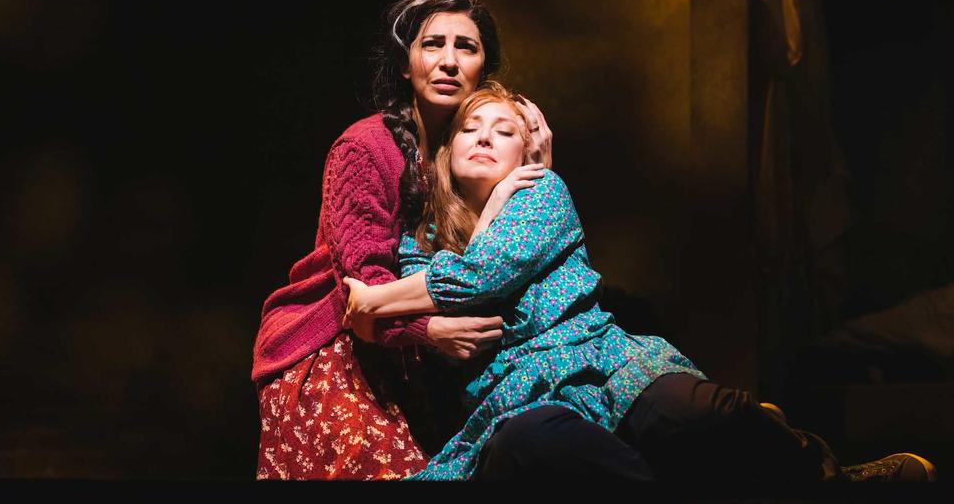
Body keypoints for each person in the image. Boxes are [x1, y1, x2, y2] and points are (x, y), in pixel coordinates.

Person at [342, 81, 938, 483]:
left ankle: (834, 478)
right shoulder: (417, 245)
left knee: (702, 411)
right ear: (446, 154)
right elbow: (438, 299)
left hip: (602, 362)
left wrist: (372, 299)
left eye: (504, 131)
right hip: (515, 400)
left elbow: (479, 279)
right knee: (536, 444)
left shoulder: (541, 193)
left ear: (527, 152)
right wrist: (394, 304)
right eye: (472, 130)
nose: (485, 138)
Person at [251, 0, 553, 480]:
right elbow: (363, 290)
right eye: (433, 44)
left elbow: (510, 261)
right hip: (333, 349)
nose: (449, 61)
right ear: (406, 65)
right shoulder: (365, 148)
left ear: (485, 69)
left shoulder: (477, 151)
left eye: (467, 47)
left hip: (426, 366)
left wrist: (537, 169)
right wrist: (428, 331)